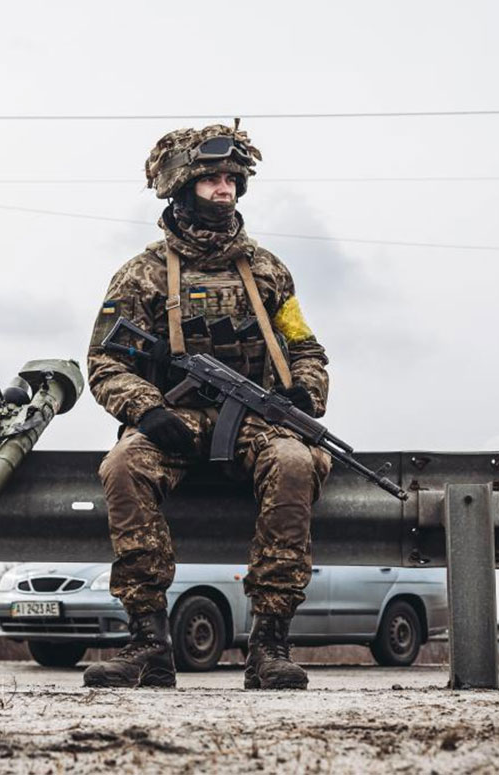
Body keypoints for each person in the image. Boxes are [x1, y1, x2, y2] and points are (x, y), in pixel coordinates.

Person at [84, 124, 332, 690]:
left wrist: (303, 394)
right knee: (123, 465)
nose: (224, 189)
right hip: (177, 418)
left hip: (256, 419)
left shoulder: (268, 272)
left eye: (230, 179)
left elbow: (305, 348)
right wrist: (146, 410)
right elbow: (105, 360)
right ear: (181, 187)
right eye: (211, 179)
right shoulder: (141, 274)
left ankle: (269, 645)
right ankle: (148, 643)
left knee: (295, 463)